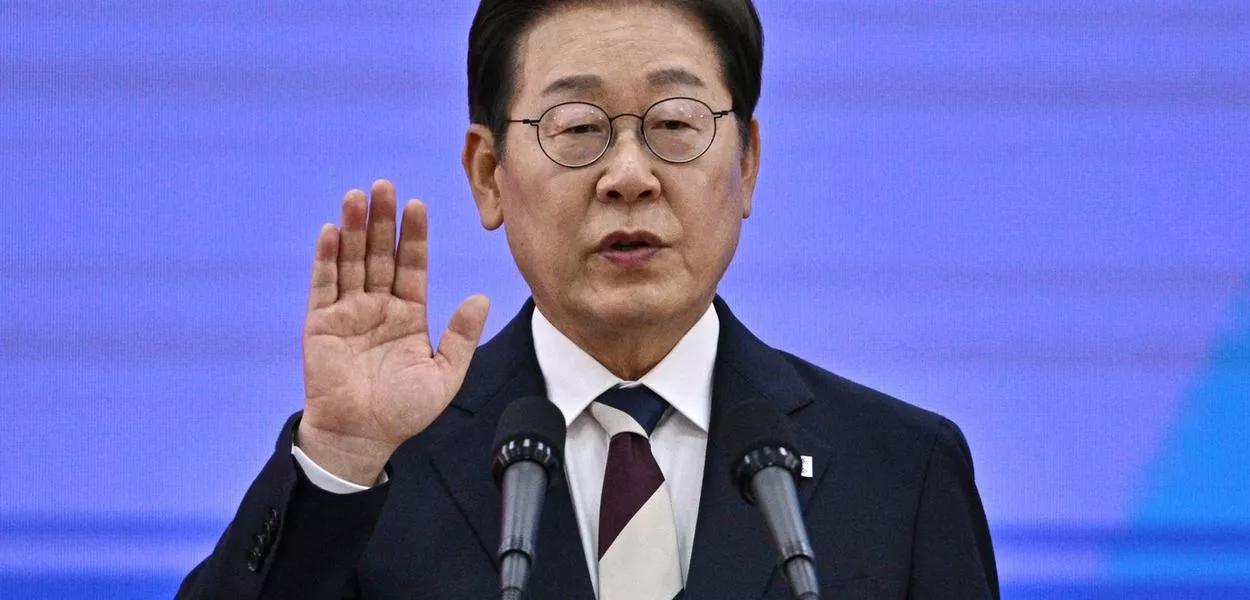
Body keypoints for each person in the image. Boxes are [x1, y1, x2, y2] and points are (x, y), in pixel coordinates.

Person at [178, 0, 998, 598]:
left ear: (746, 162)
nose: (631, 175)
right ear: (489, 175)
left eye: (675, 125)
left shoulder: (901, 468)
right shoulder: (385, 464)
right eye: (577, 129)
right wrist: (340, 463)